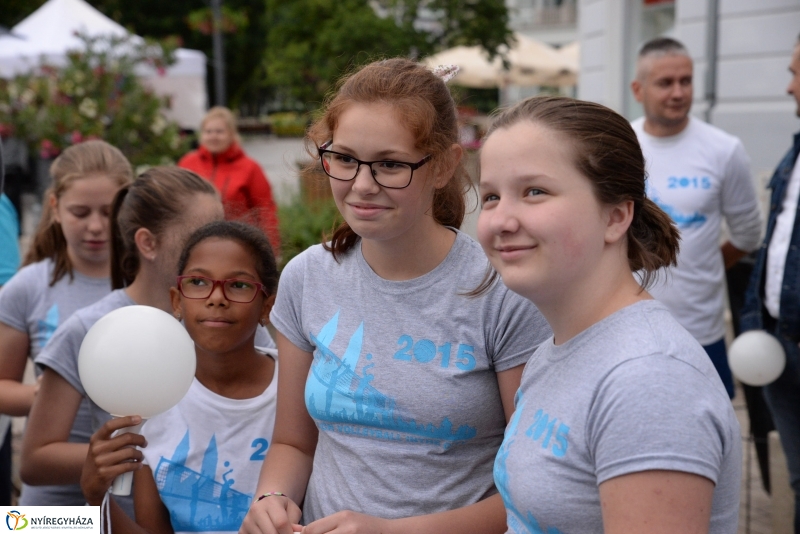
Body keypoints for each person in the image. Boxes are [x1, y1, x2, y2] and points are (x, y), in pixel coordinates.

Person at [239, 58, 550, 534]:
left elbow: (533, 492)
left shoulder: (500, 290)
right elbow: (293, 444)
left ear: (444, 165)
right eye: (344, 158)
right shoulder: (307, 277)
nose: (362, 185)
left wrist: (391, 532)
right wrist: (273, 498)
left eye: (389, 164)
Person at [478, 95, 741, 533]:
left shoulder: (650, 379)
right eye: (490, 196)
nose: (501, 220)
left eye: (534, 191)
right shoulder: (553, 350)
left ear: (616, 216)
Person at [20, 167, 223, 515]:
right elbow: (33, 461)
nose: (218, 249)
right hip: (111, 519)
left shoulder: (227, 320)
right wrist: (106, 458)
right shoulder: (89, 329)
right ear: (147, 243)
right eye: (199, 237)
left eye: (221, 232)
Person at [80, 220, 279, 534]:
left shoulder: (298, 390)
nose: (216, 298)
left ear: (268, 306)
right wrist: (95, 498)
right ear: (176, 301)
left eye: (239, 285)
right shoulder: (153, 397)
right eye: (198, 282)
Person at [0, 140, 133, 505]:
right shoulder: (26, 287)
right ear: (55, 208)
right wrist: (43, 394)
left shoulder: (149, 286)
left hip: (130, 496)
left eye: (108, 212)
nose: (95, 226)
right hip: (48, 499)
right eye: (80, 211)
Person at [630, 37, 762, 398]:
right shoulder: (620, 146)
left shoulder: (724, 149)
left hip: (701, 331)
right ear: (638, 89)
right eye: (665, 83)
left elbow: (749, 234)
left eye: (685, 81)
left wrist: (705, 265)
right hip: (628, 326)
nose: (678, 92)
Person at [741, 34, 800, 534]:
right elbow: (772, 245)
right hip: (778, 341)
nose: (788, 88)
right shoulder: (794, 153)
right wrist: (753, 318)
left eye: (796, 74)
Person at [179, 107, 281, 255]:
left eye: (219, 131)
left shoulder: (250, 168)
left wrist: (272, 250)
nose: (213, 136)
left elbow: (265, 211)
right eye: (208, 131)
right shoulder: (187, 163)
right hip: (193, 245)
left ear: (232, 134)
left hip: (238, 247)